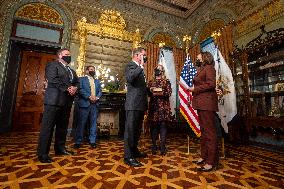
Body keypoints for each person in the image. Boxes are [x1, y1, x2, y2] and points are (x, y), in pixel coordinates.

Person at [37, 48, 79, 163]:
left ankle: (60, 149)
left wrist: (75, 88)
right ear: (60, 55)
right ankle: (43, 153)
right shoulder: (52, 65)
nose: (69, 56)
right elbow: (53, 80)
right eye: (66, 54)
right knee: (48, 128)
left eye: (69, 55)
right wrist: (68, 88)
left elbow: (77, 82)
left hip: (66, 103)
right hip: (54, 101)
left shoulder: (71, 70)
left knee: (62, 128)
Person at [188, 52, 219, 172]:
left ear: (205, 58)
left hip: (207, 104)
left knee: (210, 133)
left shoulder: (209, 68)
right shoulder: (202, 69)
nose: (197, 59)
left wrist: (195, 89)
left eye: (198, 58)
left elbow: (211, 84)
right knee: (204, 132)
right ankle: (204, 156)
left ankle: (211, 162)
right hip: (201, 103)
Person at [124, 47, 148, 167]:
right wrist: (141, 66)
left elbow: (140, 87)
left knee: (137, 131)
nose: (145, 57)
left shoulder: (140, 69)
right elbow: (130, 78)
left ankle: (134, 151)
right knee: (130, 131)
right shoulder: (130, 66)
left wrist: (150, 91)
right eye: (144, 55)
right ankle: (128, 157)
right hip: (133, 104)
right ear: (137, 55)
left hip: (140, 104)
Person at [74, 65, 102, 149]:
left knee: (93, 123)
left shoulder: (97, 81)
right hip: (85, 103)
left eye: (93, 70)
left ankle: (92, 141)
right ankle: (78, 141)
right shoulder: (81, 79)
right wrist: (89, 97)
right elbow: (80, 89)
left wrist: (97, 97)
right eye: (90, 69)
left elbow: (100, 91)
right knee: (81, 123)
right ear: (87, 71)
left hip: (94, 104)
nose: (92, 71)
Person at [148, 65, 172, 155]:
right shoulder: (151, 82)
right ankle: (154, 145)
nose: (158, 70)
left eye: (160, 69)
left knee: (163, 127)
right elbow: (148, 93)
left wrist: (159, 92)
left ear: (163, 71)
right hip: (154, 107)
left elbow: (169, 93)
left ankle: (162, 146)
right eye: (157, 69)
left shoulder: (166, 81)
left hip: (163, 108)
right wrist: (150, 90)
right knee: (153, 127)